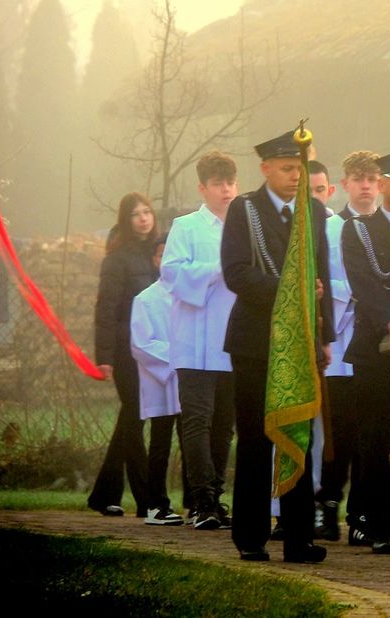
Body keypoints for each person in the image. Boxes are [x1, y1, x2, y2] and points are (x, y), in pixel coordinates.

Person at [222, 129, 334, 564]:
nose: (295, 176)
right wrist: (290, 290)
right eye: (287, 168)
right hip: (256, 341)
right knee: (255, 439)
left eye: (300, 169)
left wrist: (324, 337)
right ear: (265, 168)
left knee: (299, 437)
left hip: (301, 342)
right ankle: (251, 536)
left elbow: (322, 275)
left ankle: (298, 537)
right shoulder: (244, 209)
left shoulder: (314, 211)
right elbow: (236, 272)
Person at [160, 151, 238, 531]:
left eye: (230, 183)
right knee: (196, 421)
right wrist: (217, 270)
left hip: (232, 341)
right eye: (218, 184)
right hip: (193, 341)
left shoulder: (244, 228)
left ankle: (216, 498)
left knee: (224, 425)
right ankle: (201, 501)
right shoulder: (187, 226)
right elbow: (171, 274)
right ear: (202, 188)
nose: (226, 190)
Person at [341, 148, 390, 554]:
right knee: (374, 436)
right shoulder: (359, 230)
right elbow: (365, 286)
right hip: (376, 345)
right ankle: (374, 521)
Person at [316, 152, 379, 544]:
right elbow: (322, 281)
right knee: (339, 433)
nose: (366, 185)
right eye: (358, 178)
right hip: (340, 343)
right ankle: (328, 507)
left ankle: (361, 514)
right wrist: (356, 292)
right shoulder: (329, 229)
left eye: (371, 178)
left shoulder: (389, 227)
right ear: (345, 184)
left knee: (369, 436)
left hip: (376, 344)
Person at [87, 192, 159, 518]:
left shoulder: (159, 255)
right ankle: (147, 500)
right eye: (136, 214)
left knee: (131, 419)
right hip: (125, 348)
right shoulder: (116, 260)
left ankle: (105, 494)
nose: (143, 218)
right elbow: (106, 309)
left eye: (147, 212)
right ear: (125, 221)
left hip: (153, 348)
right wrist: (105, 356)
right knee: (134, 416)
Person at [130, 234, 185, 525]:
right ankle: (155, 504)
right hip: (163, 380)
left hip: (190, 381)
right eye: (162, 255)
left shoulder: (191, 295)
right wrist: (177, 358)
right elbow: (141, 344)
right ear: (155, 260)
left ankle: (198, 503)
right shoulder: (145, 299)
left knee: (193, 442)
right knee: (161, 443)